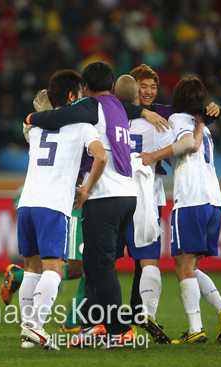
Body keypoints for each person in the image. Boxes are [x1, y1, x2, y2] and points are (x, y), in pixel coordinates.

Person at [27, 62, 137, 348]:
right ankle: (91, 323)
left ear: (86, 89)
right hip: (127, 192)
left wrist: (31, 117)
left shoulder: (92, 106)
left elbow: (57, 118)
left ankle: (119, 329)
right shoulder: (119, 107)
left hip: (104, 194)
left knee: (100, 264)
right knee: (95, 264)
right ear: (112, 86)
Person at [137, 77, 221, 344]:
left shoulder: (180, 120)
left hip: (191, 199)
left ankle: (195, 329)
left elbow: (187, 145)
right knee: (189, 265)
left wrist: (152, 157)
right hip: (214, 200)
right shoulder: (204, 128)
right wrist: (203, 120)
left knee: (182, 265)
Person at [18, 69, 106, 350]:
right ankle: (35, 327)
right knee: (54, 268)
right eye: (81, 94)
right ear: (72, 96)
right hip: (53, 205)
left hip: (27, 203)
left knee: (31, 269)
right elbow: (101, 156)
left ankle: (27, 334)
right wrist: (87, 189)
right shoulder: (83, 127)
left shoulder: (36, 127)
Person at [1, 90, 86, 334]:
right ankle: (42, 326)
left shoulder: (35, 129)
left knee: (37, 268)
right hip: (61, 202)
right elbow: (99, 155)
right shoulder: (78, 127)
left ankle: (33, 326)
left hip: (33, 201)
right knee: (61, 267)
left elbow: (29, 122)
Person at [113, 74, 174, 343]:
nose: (148, 91)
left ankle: (99, 320)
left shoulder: (108, 117)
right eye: (143, 87)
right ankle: (147, 313)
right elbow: (181, 147)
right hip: (144, 197)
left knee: (103, 263)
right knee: (149, 259)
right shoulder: (158, 122)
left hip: (112, 196)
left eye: (153, 86)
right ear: (134, 91)